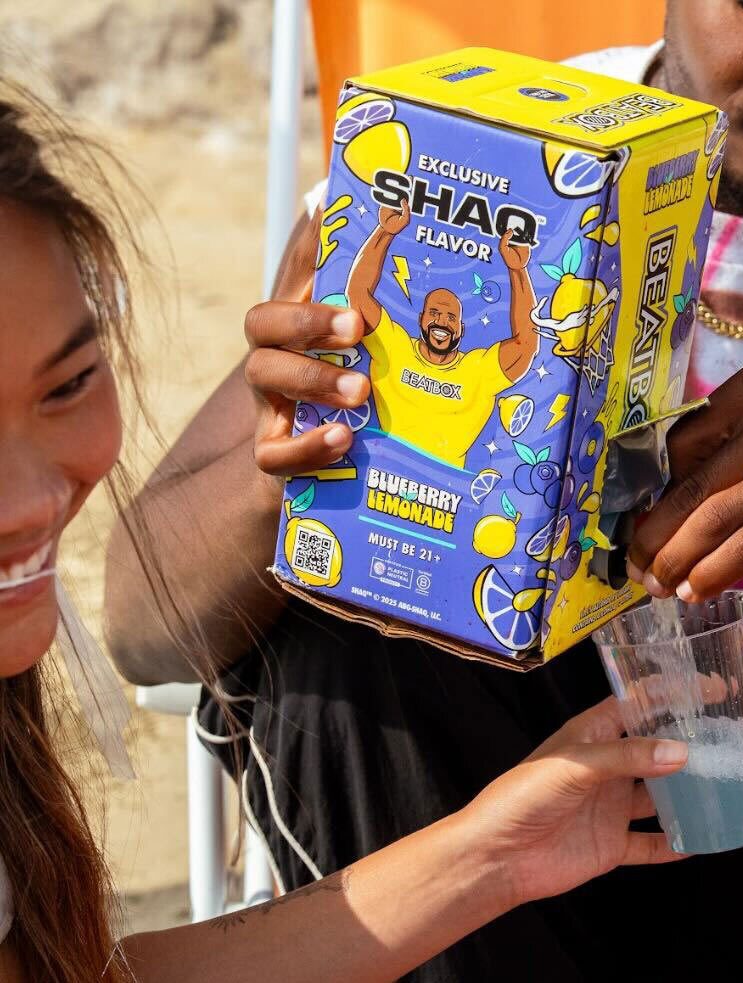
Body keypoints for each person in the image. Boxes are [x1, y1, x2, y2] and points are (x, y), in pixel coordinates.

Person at [106, 1, 743, 979]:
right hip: (491, 848)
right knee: (347, 584)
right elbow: (144, 625)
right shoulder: (457, 172)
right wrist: (335, 439)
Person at [0, 89, 694, 983]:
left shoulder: (486, 360)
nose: (23, 500)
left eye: (67, 386)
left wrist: (487, 853)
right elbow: (145, 623)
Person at [338, 197, 538, 468]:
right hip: (378, 482)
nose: (441, 322)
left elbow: (526, 344)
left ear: (461, 328)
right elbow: (358, 295)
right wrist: (385, 232)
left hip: (448, 497)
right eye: (434, 313)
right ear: (421, 319)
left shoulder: (478, 371)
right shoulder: (394, 347)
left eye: (450, 317)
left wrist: (517, 270)